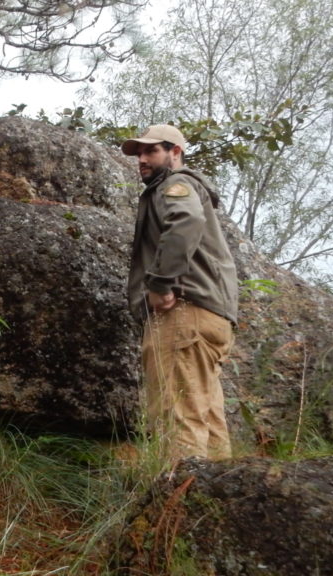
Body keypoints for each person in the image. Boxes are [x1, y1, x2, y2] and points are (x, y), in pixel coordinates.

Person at [121, 124, 239, 461]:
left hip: (183, 314)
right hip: (210, 317)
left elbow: (185, 222)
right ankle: (213, 506)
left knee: (175, 418)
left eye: (151, 151)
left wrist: (159, 284)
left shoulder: (175, 184)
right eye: (139, 153)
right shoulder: (185, 187)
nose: (142, 159)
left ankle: (173, 510)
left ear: (176, 152)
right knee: (208, 421)